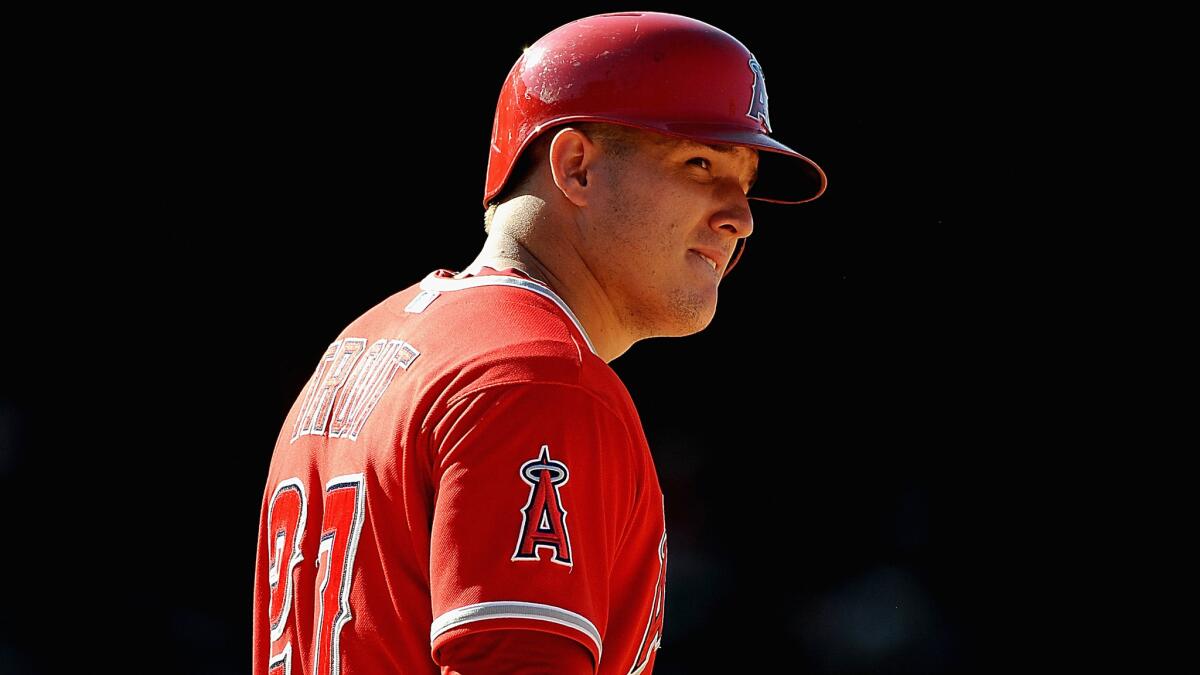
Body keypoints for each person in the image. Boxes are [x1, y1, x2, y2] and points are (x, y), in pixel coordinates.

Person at [252, 11, 826, 675]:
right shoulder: (538, 379)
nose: (741, 217)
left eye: (747, 185)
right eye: (700, 163)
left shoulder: (362, 348)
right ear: (576, 166)